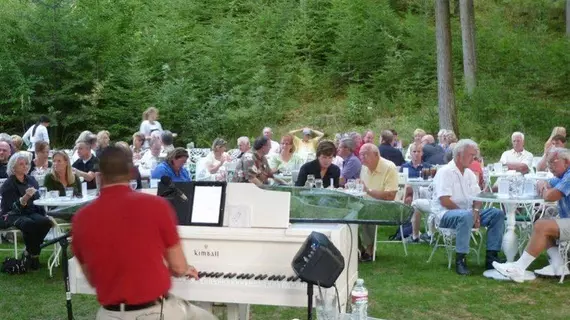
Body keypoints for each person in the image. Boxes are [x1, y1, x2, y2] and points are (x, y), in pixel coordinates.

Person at [71, 146, 217, 320]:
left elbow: (94, 279)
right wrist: (181, 268)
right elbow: (178, 268)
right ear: (132, 173)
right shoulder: (157, 206)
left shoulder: (81, 218)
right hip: (154, 312)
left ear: (99, 176)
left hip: (109, 314)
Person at [493, 148, 570, 282]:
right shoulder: (563, 176)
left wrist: (545, 188)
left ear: (567, 162)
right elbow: (544, 182)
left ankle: (518, 269)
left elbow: (550, 196)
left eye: (553, 163)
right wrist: (543, 183)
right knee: (541, 223)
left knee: (542, 226)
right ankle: (559, 264)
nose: (549, 167)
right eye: (548, 163)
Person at [432, 139, 505, 275]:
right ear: (460, 155)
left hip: (467, 213)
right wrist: (471, 215)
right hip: (445, 214)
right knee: (465, 216)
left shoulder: (469, 173)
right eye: (471, 155)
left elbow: (478, 197)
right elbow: (444, 201)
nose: (474, 158)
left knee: (497, 214)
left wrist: (476, 211)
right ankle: (460, 260)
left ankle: (491, 258)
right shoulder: (445, 172)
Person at [0, 152, 52, 270]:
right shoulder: (9, 184)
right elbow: (13, 207)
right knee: (28, 224)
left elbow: (38, 199)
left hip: (31, 211)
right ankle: (34, 256)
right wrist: (25, 197)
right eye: (21, 164)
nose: (25, 166)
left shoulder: (31, 179)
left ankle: (29, 252)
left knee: (45, 222)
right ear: (13, 167)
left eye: (26, 164)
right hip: (11, 214)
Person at [358, 143, 399, 260]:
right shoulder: (364, 168)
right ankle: (357, 248)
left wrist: (369, 191)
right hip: (366, 203)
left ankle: (369, 249)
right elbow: (362, 189)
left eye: (365, 155)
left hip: (385, 206)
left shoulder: (389, 167)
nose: (362, 158)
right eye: (361, 155)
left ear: (376, 155)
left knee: (367, 210)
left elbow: (390, 196)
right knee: (348, 212)